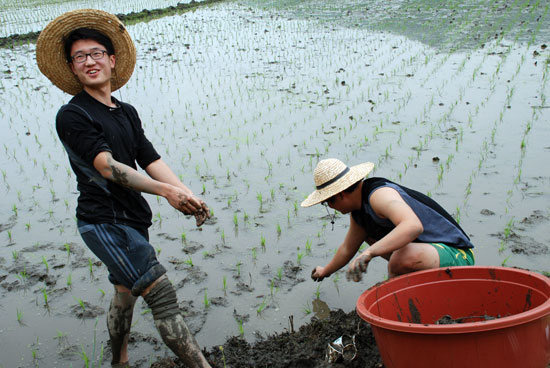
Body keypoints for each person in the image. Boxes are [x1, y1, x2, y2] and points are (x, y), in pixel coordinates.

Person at [36, 9, 211, 368]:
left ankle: (119, 362)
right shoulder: (73, 115)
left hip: (131, 219)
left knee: (123, 295)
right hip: (104, 222)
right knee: (161, 295)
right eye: (80, 57)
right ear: (72, 67)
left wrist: (187, 192)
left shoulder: (126, 111)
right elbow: (107, 167)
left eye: (97, 53)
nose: (89, 61)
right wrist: (165, 193)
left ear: (112, 61)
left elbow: (148, 157)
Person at [301, 158, 474, 283]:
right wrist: (325, 271)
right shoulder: (360, 212)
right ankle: (406, 287)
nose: (330, 207)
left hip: (458, 255)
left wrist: (369, 253)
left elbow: (413, 226)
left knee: (400, 257)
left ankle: (396, 300)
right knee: (371, 238)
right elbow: (347, 248)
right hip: (430, 254)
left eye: (328, 202)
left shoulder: (379, 195)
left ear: (341, 194)